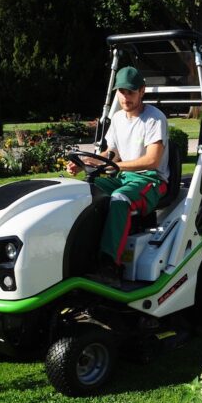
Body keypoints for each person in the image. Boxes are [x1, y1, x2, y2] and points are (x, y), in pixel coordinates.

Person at [72, 66, 169, 283]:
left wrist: (118, 166)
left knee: (119, 199)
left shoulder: (155, 119)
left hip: (150, 180)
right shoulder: (117, 118)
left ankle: (109, 266)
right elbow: (112, 153)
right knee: (85, 190)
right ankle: (81, 253)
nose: (125, 97)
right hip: (123, 177)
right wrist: (86, 163)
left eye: (131, 92)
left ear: (142, 91)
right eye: (121, 92)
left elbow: (152, 161)